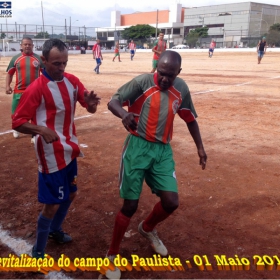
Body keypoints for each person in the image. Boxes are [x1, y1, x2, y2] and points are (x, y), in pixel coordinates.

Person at [105, 50, 207, 279]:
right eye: (161, 73)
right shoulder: (142, 82)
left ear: (178, 73)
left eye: (169, 75)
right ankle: (111, 255)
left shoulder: (181, 89)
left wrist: (200, 148)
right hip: (137, 149)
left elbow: (190, 119)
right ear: (157, 68)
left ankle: (147, 229)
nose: (164, 79)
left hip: (162, 151)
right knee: (129, 206)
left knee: (171, 202)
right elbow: (113, 101)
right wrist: (123, 114)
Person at [12, 38, 101, 259]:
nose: (61, 68)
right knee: (51, 205)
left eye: (64, 63)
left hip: (70, 149)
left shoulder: (72, 82)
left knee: (71, 194)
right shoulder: (36, 89)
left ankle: (54, 231)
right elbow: (17, 122)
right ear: (44, 61)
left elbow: (89, 109)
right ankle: (38, 251)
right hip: (50, 154)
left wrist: (91, 104)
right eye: (56, 63)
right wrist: (41, 130)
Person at [6, 37, 44, 140]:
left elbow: (45, 74)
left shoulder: (39, 58)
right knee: (16, 112)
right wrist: (7, 86)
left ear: (33, 46)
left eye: (29, 44)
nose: (27, 46)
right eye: (25, 44)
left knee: (35, 112)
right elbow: (10, 73)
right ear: (21, 46)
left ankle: (34, 135)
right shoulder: (15, 58)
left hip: (34, 91)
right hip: (19, 90)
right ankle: (16, 129)